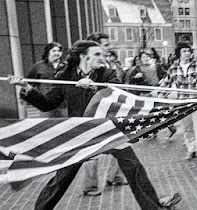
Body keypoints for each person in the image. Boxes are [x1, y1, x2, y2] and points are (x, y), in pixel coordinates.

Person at [7, 40, 181, 210]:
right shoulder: (65, 76)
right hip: (81, 133)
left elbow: (119, 95)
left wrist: (96, 90)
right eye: (97, 54)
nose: (101, 57)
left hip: (108, 130)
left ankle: (153, 207)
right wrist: (26, 88)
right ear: (84, 57)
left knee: (133, 167)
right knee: (62, 177)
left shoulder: (107, 74)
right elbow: (47, 104)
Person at [160, 42, 197, 164]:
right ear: (179, 53)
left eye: (189, 51)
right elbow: (165, 83)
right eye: (184, 51)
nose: (187, 54)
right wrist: (157, 92)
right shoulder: (173, 69)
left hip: (196, 101)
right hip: (183, 103)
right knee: (187, 128)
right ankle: (191, 149)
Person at [85, 32, 126, 195]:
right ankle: (90, 185)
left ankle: (115, 176)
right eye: (106, 45)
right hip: (91, 114)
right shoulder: (85, 67)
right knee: (91, 151)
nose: (110, 48)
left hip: (111, 111)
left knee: (121, 143)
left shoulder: (110, 65)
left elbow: (117, 86)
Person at [26, 42, 67, 118]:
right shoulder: (38, 66)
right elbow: (29, 82)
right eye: (54, 51)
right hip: (45, 102)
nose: (57, 53)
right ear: (48, 52)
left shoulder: (67, 66)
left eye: (59, 51)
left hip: (63, 104)